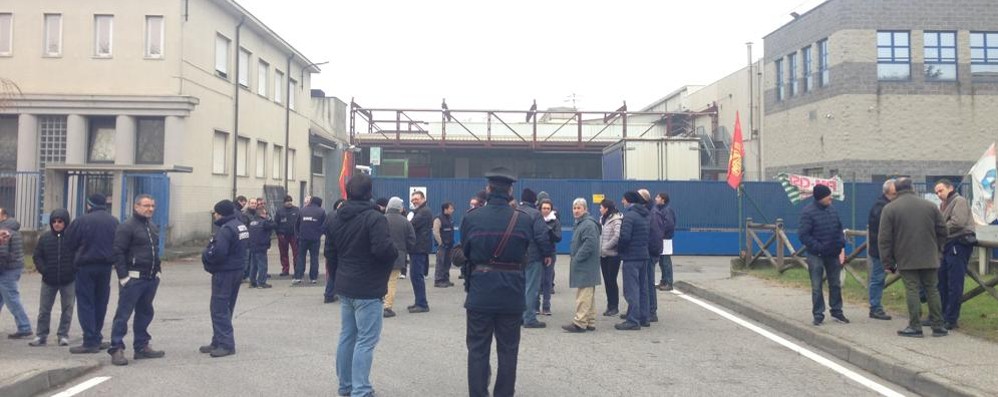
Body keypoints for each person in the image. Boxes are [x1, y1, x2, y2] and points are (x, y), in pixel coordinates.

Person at [461, 167, 551, 397]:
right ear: (510, 190)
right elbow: (524, 253)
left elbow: (466, 255)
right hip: (511, 293)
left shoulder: (472, 218)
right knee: (509, 351)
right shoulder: (522, 220)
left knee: (478, 350)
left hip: (480, 293)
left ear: (488, 190)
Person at [326, 173, 398, 397]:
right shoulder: (374, 218)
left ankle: (346, 386)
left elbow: (330, 252)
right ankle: (361, 390)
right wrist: (395, 252)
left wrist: (338, 276)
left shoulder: (335, 217)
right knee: (366, 341)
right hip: (368, 286)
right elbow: (382, 250)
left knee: (347, 335)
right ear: (369, 193)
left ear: (347, 192)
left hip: (345, 283)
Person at [879, 178, 949, 338]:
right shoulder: (930, 206)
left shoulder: (890, 209)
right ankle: (938, 326)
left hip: (906, 256)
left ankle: (915, 326)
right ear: (912, 187)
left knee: (912, 289)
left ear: (896, 190)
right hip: (930, 256)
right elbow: (943, 230)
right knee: (932, 289)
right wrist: (938, 249)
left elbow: (884, 239)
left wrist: (888, 261)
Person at [107, 194, 165, 366]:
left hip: (150, 278)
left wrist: (158, 272)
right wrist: (123, 277)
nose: (150, 209)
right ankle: (116, 347)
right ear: (136, 206)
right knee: (123, 314)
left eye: (152, 206)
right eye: (146, 205)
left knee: (145, 312)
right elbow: (118, 252)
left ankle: (141, 346)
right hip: (133, 279)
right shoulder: (127, 227)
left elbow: (154, 250)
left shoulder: (152, 226)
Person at [66, 194, 119, 354]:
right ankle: (97, 336)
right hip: (106, 267)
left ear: (89, 204)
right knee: (101, 302)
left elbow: (70, 243)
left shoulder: (81, 221)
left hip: (85, 267)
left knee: (86, 303)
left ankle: (90, 341)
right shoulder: (114, 221)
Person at [200, 200, 249, 358]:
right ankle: (218, 340)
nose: (214, 214)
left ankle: (226, 344)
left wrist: (206, 255)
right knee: (227, 306)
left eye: (216, 212)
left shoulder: (226, 229)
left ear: (220, 213)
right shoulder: (239, 225)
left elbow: (219, 252)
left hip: (225, 272)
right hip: (237, 270)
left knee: (219, 308)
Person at [799, 184, 849, 326]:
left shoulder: (832, 210)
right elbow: (803, 235)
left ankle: (837, 311)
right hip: (816, 254)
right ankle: (818, 314)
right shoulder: (808, 213)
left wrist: (841, 243)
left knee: (835, 284)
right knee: (816, 285)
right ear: (821, 197)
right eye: (828, 196)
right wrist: (818, 247)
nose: (831, 198)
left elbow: (839, 228)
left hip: (833, 253)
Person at [29, 209, 76, 347]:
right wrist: (44, 270)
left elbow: (78, 255)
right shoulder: (45, 238)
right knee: (44, 309)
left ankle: (63, 335)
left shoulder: (72, 238)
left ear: (65, 222)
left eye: (60, 221)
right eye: (54, 221)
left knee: (67, 309)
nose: (57, 224)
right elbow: (37, 256)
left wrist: (72, 270)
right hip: (49, 280)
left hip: (68, 280)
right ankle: (41, 335)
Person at [935, 179, 975, 330]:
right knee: (943, 282)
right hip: (948, 245)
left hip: (958, 244)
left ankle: (951, 319)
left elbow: (958, 222)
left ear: (950, 188)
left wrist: (939, 229)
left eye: (941, 190)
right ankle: (943, 315)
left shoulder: (959, 201)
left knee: (954, 283)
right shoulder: (943, 205)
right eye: (936, 192)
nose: (938, 194)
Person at [562, 199, 601, 333]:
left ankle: (579, 322)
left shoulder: (587, 224)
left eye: (579, 208)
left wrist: (577, 258)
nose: (576, 210)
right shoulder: (582, 223)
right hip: (586, 265)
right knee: (588, 294)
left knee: (583, 295)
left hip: (586, 265)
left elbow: (590, 244)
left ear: (585, 209)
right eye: (574, 208)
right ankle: (590, 321)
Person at [517, 188, 552, 329]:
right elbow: (541, 236)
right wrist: (547, 254)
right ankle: (529, 318)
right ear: (535, 201)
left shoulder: (515, 212)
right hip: (532, 256)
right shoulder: (536, 215)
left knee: (520, 287)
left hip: (516, 256)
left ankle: (519, 316)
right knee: (531, 288)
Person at [615, 191, 650, 331]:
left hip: (631, 257)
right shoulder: (645, 215)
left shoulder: (629, 216)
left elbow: (624, 237)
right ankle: (644, 317)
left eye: (623, 200)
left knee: (631, 289)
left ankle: (633, 320)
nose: (622, 202)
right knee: (643, 288)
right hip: (643, 255)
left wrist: (620, 251)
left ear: (629, 200)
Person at [0, 207, 32, 339]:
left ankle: (24, 326)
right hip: (14, 267)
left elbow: (2, 253)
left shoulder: (4, 230)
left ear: (4, 216)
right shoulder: (13, 228)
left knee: (11, 299)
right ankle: (24, 326)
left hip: (6, 269)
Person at [866, 179, 896, 321]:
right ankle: (875, 307)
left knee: (878, 278)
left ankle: (875, 306)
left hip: (885, 248)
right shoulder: (881, 207)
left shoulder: (884, 205)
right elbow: (883, 230)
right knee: (878, 279)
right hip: (881, 250)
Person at [383, 197, 415, 318]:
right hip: (398, 256)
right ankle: (387, 307)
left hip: (382, 255)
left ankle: (376, 304)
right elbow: (412, 239)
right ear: (400, 208)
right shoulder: (405, 221)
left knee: (381, 279)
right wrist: (405, 249)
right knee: (391, 282)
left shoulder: (381, 219)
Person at [638, 189, 663, 323]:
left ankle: (651, 311)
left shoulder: (653, 214)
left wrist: (652, 253)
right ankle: (643, 309)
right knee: (644, 282)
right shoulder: (648, 212)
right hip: (646, 252)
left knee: (648, 282)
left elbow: (656, 235)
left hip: (649, 253)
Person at [408, 190, 433, 313]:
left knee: (416, 276)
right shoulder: (420, 211)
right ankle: (419, 301)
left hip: (419, 248)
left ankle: (422, 304)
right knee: (415, 276)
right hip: (418, 248)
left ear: (423, 199)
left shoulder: (423, 212)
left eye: (416, 199)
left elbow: (411, 225)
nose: (414, 201)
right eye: (413, 199)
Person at [537, 198, 561, 316]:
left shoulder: (555, 221)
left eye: (548, 208)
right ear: (540, 209)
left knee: (547, 280)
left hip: (550, 253)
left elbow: (558, 237)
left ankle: (546, 307)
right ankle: (536, 306)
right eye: (544, 208)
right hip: (537, 253)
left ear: (551, 209)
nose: (545, 210)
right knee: (537, 280)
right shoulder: (536, 220)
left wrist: (549, 232)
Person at [599, 199, 623, 317]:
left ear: (606, 208)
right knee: (607, 281)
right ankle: (609, 305)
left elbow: (617, 236)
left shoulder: (616, 220)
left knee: (612, 280)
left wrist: (605, 247)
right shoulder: (603, 219)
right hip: (603, 255)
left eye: (601, 207)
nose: (600, 209)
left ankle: (614, 306)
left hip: (613, 255)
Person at [295, 197, 325, 285]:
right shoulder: (321, 211)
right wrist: (319, 233)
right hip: (315, 239)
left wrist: (298, 235)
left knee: (300, 257)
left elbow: (296, 224)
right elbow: (325, 225)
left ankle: (298, 276)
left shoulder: (302, 210)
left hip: (303, 238)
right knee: (314, 258)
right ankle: (313, 278)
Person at [323, 198, 348, 303]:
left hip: (330, 249)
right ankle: (341, 294)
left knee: (332, 273)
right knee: (342, 272)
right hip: (342, 249)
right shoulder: (346, 218)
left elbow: (324, 229)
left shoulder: (330, 215)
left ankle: (329, 294)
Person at [247, 205, 276, 289]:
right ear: (263, 214)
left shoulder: (252, 223)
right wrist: (269, 218)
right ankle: (261, 282)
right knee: (262, 265)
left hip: (252, 246)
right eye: (266, 213)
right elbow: (274, 225)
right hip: (261, 246)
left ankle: (252, 282)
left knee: (253, 265)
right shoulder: (264, 222)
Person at [274, 195, 301, 278]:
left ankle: (297, 270)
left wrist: (299, 233)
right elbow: (276, 223)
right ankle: (285, 269)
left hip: (294, 235)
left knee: (296, 253)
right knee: (283, 253)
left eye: (290, 201)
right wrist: (278, 233)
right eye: (287, 201)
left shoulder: (297, 210)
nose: (289, 202)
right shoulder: (280, 211)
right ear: (284, 202)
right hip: (283, 235)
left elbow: (300, 222)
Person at [656, 193, 677, 292]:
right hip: (662, 238)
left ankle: (669, 282)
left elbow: (669, 225)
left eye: (658, 197)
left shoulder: (666, 210)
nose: (656, 199)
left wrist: (660, 233)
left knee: (665, 261)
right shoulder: (662, 209)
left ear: (663, 200)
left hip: (665, 239)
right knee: (662, 261)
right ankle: (664, 281)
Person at [433, 202, 457, 288]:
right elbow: (436, 232)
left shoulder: (450, 218)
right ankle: (438, 280)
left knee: (447, 263)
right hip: (442, 245)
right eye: (451, 208)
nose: (452, 210)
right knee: (440, 262)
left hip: (449, 244)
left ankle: (446, 279)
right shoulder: (438, 219)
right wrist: (440, 243)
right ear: (445, 209)